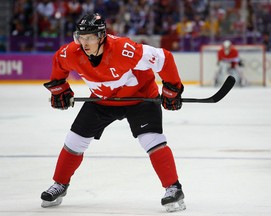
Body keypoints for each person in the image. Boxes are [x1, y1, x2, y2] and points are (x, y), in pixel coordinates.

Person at [41, 13, 186, 212]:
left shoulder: (124, 50)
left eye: (90, 37)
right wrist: (59, 89)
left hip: (139, 97)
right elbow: (58, 62)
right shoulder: (71, 53)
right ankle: (60, 184)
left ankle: (173, 188)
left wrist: (172, 89)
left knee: (151, 139)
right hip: (102, 99)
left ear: (102, 37)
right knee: (75, 140)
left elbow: (164, 58)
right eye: (81, 37)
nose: (84, 43)